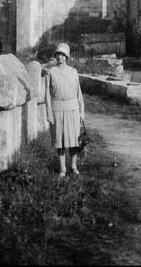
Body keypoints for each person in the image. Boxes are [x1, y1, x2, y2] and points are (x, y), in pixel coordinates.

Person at [45, 42, 85, 179]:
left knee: (74, 141)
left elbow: (79, 93)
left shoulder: (73, 72)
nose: (60, 57)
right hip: (57, 109)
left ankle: (74, 166)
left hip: (72, 109)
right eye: (58, 54)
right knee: (60, 141)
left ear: (67, 56)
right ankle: (62, 168)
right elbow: (47, 95)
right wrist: (49, 114)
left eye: (62, 55)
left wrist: (82, 112)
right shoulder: (50, 72)